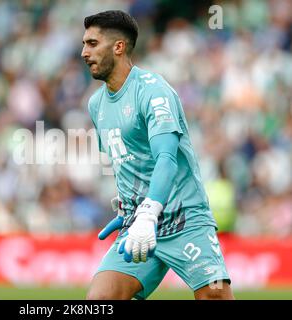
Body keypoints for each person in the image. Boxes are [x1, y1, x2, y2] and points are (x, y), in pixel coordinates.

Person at [82, 10, 234, 300]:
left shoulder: (154, 91)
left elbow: (166, 157)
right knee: (99, 301)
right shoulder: (96, 104)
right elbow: (127, 161)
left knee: (214, 296)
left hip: (183, 219)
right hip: (137, 225)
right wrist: (126, 208)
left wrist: (150, 212)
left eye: (92, 43)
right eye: (84, 44)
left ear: (118, 47)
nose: (83, 52)